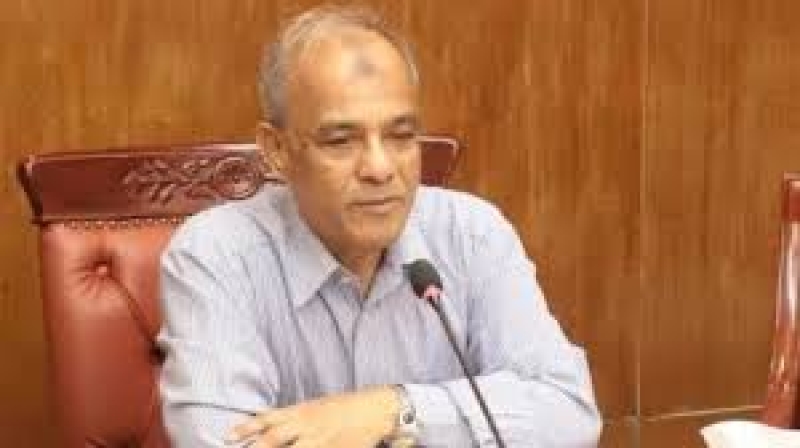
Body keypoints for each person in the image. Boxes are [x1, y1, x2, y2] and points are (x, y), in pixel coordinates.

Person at [157, 6, 601, 448]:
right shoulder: (217, 256)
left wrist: (395, 409)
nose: (380, 168)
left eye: (401, 136)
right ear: (277, 151)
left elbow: (569, 411)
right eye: (341, 141)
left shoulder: (472, 235)